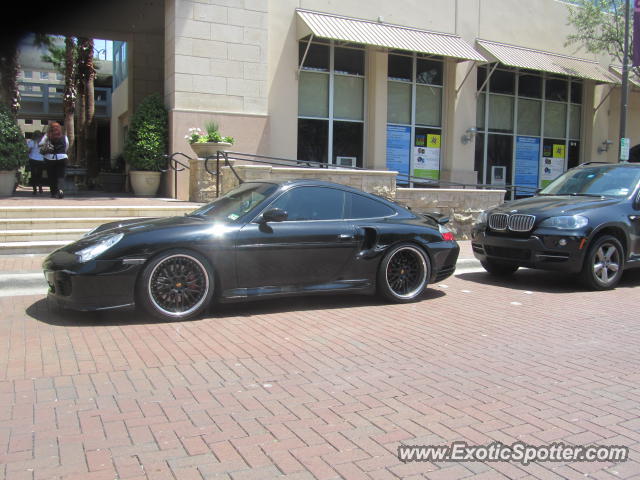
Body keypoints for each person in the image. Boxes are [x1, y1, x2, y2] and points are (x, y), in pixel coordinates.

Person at [39, 122, 69, 199]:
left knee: (51, 176)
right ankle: (61, 190)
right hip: (62, 157)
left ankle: (53, 193)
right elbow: (66, 146)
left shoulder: (47, 136)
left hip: (50, 158)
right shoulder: (64, 137)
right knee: (61, 175)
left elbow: (41, 143)